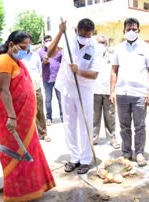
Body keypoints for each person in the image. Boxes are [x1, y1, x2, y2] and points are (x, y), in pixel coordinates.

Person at [0, 31, 55, 202]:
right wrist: (12, 117)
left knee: (28, 152)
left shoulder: (15, 60)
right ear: (11, 45)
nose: (25, 50)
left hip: (24, 119)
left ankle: (32, 188)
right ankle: (17, 193)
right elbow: (4, 91)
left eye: (28, 46)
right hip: (12, 118)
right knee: (15, 154)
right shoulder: (2, 61)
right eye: (22, 46)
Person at [48, 18, 101, 174]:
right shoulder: (67, 40)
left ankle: (85, 159)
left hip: (84, 89)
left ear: (92, 33)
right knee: (69, 124)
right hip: (66, 87)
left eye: (88, 35)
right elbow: (50, 53)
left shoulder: (95, 47)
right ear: (76, 31)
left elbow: (94, 74)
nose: (85, 38)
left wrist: (79, 71)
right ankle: (74, 157)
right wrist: (60, 32)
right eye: (82, 34)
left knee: (85, 124)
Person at [110, 17, 149, 167]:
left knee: (140, 126)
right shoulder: (118, 48)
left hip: (140, 94)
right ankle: (126, 152)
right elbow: (114, 70)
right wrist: (112, 91)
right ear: (124, 30)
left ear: (138, 30)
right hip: (122, 93)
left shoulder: (145, 48)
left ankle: (139, 153)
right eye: (128, 29)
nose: (131, 32)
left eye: (134, 29)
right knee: (124, 126)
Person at [93, 35, 120, 149]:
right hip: (94, 91)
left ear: (106, 44)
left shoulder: (112, 56)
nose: (101, 44)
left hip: (108, 91)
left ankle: (112, 138)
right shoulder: (91, 56)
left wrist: (113, 91)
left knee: (110, 116)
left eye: (103, 42)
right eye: (98, 42)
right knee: (94, 116)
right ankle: (94, 137)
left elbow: (115, 72)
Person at [22, 38, 51, 142]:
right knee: (25, 113)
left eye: (29, 42)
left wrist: (37, 81)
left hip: (36, 87)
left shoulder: (35, 55)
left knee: (39, 111)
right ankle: (27, 136)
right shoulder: (18, 56)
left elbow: (39, 70)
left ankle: (43, 133)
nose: (27, 44)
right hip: (23, 88)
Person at [38, 35, 63, 125]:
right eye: (47, 40)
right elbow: (38, 66)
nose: (49, 42)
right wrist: (43, 63)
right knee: (48, 99)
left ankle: (63, 116)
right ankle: (49, 117)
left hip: (58, 78)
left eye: (50, 40)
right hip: (47, 79)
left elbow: (64, 63)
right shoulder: (40, 52)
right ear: (44, 42)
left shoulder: (59, 51)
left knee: (61, 98)